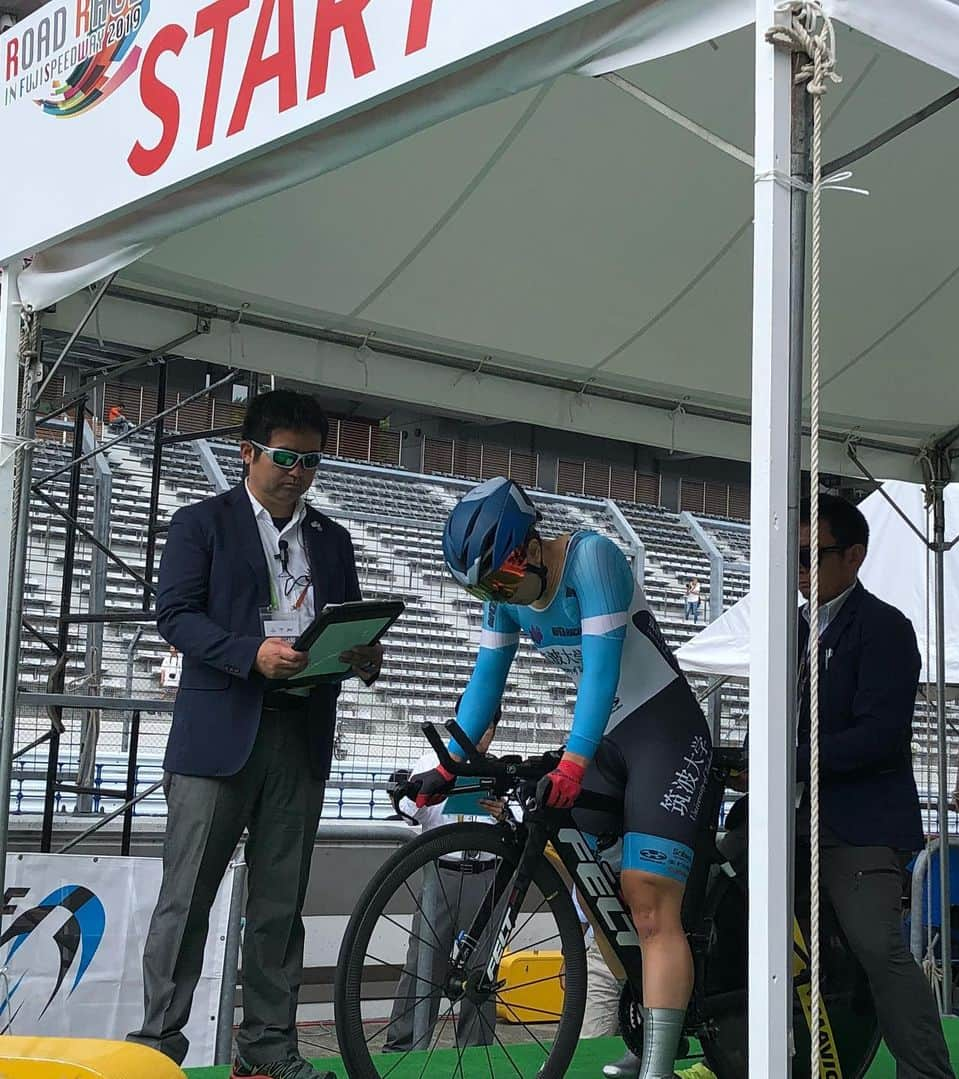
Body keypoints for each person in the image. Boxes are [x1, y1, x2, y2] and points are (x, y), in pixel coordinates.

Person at [419, 476, 714, 1079]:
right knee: (592, 886)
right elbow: (485, 684)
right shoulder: (502, 589)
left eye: (498, 582)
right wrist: (445, 767)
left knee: (649, 902)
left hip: (664, 732)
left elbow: (602, 674)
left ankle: (658, 1067)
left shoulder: (592, 558)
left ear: (525, 548)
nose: (497, 597)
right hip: (604, 738)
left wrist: (572, 764)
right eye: (483, 589)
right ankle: (652, 1020)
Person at [127, 390, 385, 1079]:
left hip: (299, 736)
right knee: (186, 900)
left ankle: (268, 1048)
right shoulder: (200, 523)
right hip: (218, 737)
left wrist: (363, 654)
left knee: (279, 905)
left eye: (311, 459)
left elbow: (345, 619)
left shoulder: (333, 539)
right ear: (248, 452)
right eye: (286, 456)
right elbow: (174, 616)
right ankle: (157, 1046)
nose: (298, 471)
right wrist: (251, 652)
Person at [793, 494, 954, 1078]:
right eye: (794, 555)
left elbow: (880, 738)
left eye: (812, 555)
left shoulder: (887, 629)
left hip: (857, 826)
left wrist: (791, 760)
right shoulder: (790, 627)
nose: (800, 569)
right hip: (789, 820)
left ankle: (928, 1072)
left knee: (877, 950)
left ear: (855, 556)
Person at [384, 712, 505, 1052]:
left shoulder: (498, 769)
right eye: (477, 724)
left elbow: (521, 823)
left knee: (483, 969)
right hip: (441, 872)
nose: (482, 734)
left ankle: (476, 1050)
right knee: (423, 963)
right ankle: (403, 1044)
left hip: (488, 876)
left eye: (489, 728)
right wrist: (433, 790)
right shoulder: (430, 762)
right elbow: (408, 811)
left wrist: (505, 813)